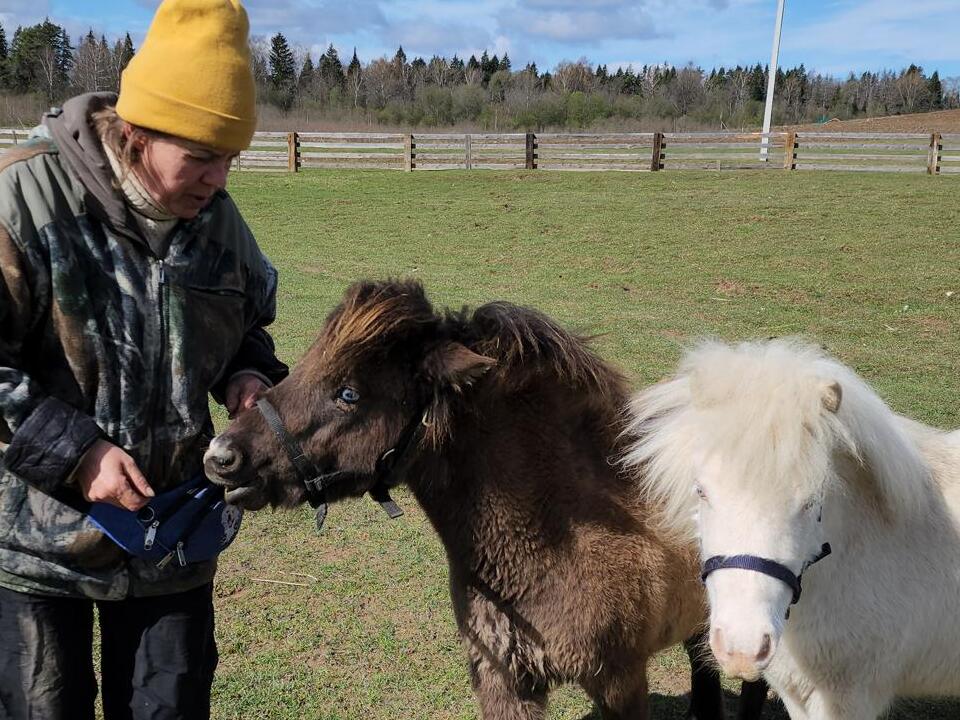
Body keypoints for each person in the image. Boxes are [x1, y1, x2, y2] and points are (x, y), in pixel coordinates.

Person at [0, 1, 287, 718]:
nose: (218, 178)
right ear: (135, 134)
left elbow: (244, 326)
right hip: (39, 551)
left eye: (230, 157)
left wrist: (248, 374)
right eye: (200, 155)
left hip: (174, 545)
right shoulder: (23, 201)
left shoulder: (217, 222)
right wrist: (78, 455)